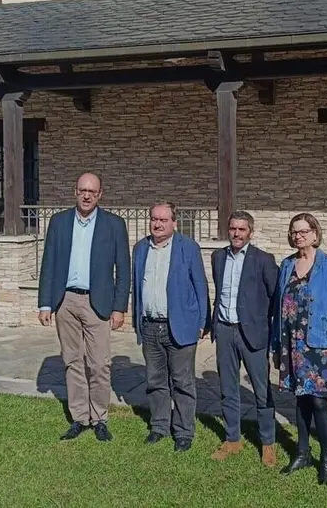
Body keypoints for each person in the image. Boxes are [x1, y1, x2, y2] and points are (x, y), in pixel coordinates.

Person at [37, 172, 131, 442]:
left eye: (92, 191)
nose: (87, 195)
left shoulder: (114, 225)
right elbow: (49, 265)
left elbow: (122, 270)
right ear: (75, 192)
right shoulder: (59, 222)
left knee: (100, 364)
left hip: (98, 302)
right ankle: (80, 417)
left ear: (100, 194)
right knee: (72, 362)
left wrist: (119, 307)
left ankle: (99, 417)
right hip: (65, 300)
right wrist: (46, 303)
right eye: (82, 190)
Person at [273, 213, 327, 485]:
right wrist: (275, 346)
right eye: (295, 232)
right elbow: (277, 309)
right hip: (290, 345)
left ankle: (325, 459)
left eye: (304, 231)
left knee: (318, 402)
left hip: (318, 346)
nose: (299, 236)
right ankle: (302, 453)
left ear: (316, 235)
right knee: (300, 400)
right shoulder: (286, 265)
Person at [132, 201, 209, 452]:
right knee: (155, 380)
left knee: (183, 382)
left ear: (174, 223)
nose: (157, 224)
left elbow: (200, 286)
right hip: (151, 326)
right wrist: (137, 321)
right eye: (154, 219)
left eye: (163, 220)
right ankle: (159, 426)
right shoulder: (141, 248)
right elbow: (137, 285)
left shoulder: (188, 248)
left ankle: (184, 432)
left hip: (181, 326)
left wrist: (202, 322)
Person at [209, 211, 279, 467]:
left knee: (262, 391)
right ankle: (232, 439)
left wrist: (266, 326)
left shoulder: (263, 260)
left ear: (251, 231)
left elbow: (276, 298)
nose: (237, 233)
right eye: (233, 229)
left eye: (242, 229)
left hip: (253, 333)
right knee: (228, 389)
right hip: (225, 330)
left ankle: (268, 443)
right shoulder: (218, 258)